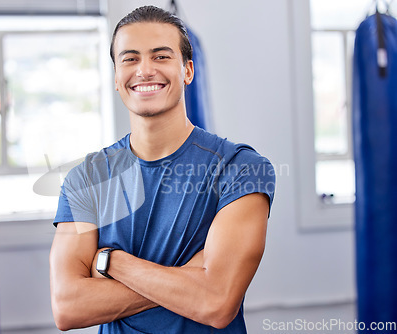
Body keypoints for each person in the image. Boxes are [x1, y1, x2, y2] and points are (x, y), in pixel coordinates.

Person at [49, 5, 275, 333]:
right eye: (130, 58)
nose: (144, 70)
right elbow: (69, 308)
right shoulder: (87, 178)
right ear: (116, 77)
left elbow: (216, 303)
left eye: (161, 56)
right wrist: (189, 277)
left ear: (188, 71)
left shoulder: (241, 170)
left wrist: (112, 262)